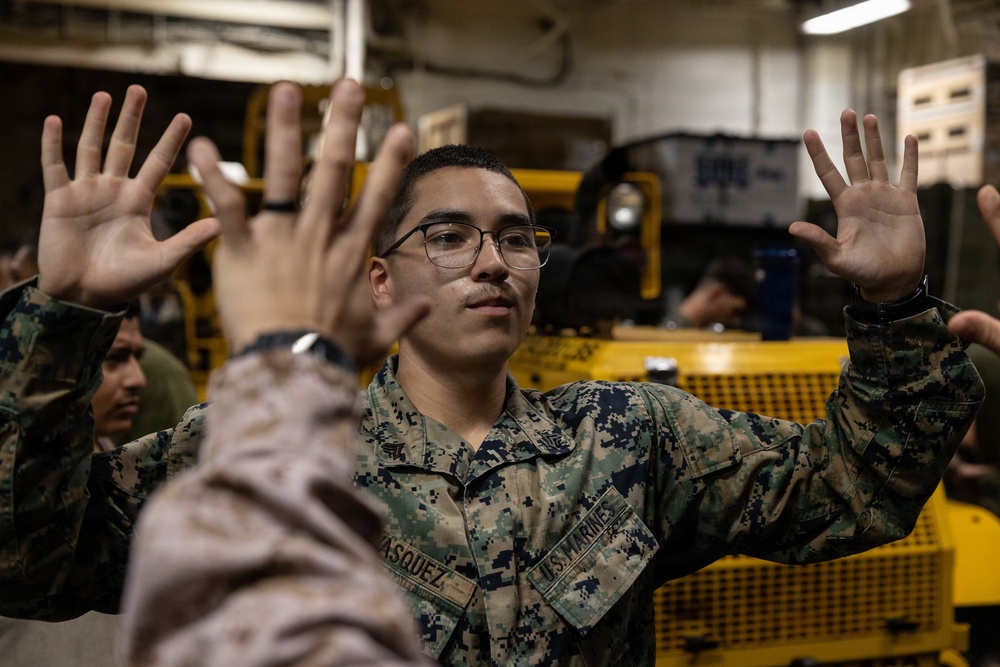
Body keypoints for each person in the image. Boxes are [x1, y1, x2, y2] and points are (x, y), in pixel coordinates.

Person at [0, 80, 983, 667]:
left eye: (516, 239)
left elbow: (858, 488)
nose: (492, 260)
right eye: (450, 234)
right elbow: (28, 563)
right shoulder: (266, 447)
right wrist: (63, 315)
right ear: (377, 276)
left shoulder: (633, 437)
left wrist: (895, 306)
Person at [661, 255, 757, 330]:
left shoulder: (681, 330)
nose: (735, 321)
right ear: (717, 292)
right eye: (735, 311)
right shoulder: (674, 335)